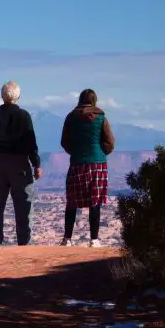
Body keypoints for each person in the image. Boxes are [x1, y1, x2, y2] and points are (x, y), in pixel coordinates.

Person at [0, 80, 41, 247]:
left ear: (2, 96)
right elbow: (30, 142)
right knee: (24, 203)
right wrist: (36, 164)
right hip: (20, 164)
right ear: (18, 96)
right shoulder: (24, 116)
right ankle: (24, 242)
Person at [59, 89, 115, 248]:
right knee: (95, 201)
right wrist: (101, 152)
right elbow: (110, 142)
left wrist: (75, 151)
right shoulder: (101, 117)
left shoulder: (71, 117)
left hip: (77, 163)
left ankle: (67, 239)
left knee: (72, 201)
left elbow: (64, 141)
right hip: (98, 164)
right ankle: (94, 239)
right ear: (94, 101)